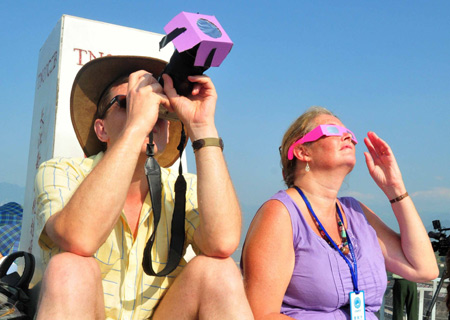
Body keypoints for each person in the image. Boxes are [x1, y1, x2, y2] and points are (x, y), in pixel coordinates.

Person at [34, 55, 253, 319]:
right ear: (101, 130)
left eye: (159, 109)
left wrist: (201, 126)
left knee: (221, 271)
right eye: (129, 103)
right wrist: (136, 127)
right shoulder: (62, 172)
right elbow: (78, 238)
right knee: (68, 266)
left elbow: (223, 242)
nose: (151, 116)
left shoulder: (183, 189)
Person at [241, 106, 439, 319]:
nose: (348, 136)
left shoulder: (356, 212)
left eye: (350, 134)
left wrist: (395, 188)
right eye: (333, 130)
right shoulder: (281, 214)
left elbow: (424, 269)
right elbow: (262, 313)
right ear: (302, 151)